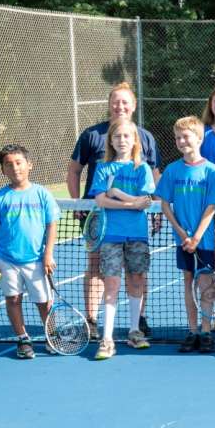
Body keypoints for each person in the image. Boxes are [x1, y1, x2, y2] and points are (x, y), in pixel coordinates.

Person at [67, 81, 161, 338]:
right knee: (96, 266)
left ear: (133, 106)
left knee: (137, 270)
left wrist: (153, 210)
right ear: (109, 104)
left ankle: (139, 319)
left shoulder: (145, 137)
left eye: (125, 101)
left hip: (135, 219)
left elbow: (154, 176)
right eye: (115, 101)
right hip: (98, 216)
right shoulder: (91, 135)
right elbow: (74, 171)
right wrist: (77, 203)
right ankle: (92, 320)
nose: (120, 105)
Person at [155, 116, 215, 353]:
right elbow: (165, 204)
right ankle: (193, 330)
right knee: (188, 283)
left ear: (199, 138)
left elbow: (211, 207)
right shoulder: (173, 170)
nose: (181, 141)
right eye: (177, 137)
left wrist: (196, 237)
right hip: (182, 241)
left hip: (203, 241)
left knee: (205, 283)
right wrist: (181, 233)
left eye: (186, 136)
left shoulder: (212, 171)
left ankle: (206, 331)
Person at [0, 144, 59, 360]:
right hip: (6, 260)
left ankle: (51, 335)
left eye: (19, 162)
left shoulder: (42, 194)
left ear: (29, 165)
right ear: (3, 169)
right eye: (9, 164)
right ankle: (23, 339)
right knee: (13, 299)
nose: (15, 167)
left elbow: (51, 224)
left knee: (44, 302)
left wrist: (48, 254)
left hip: (36, 259)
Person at [88, 119, 156, 359]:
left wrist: (116, 193)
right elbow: (101, 200)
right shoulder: (103, 167)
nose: (122, 140)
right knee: (112, 284)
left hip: (137, 233)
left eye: (127, 136)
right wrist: (130, 202)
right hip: (111, 235)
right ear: (111, 141)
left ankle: (135, 331)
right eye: (117, 137)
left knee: (136, 279)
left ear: (135, 140)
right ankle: (107, 339)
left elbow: (145, 202)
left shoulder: (142, 168)